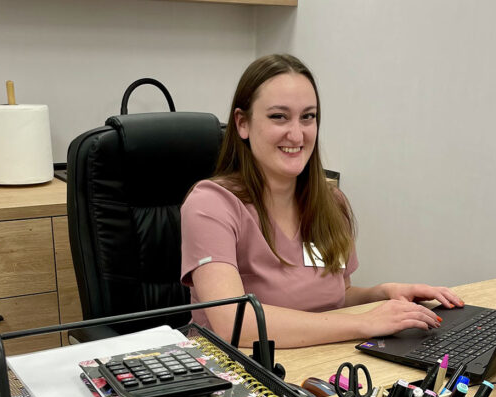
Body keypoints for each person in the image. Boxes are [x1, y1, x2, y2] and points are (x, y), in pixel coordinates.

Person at [180, 54, 463, 348]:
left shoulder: (331, 203)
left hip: (320, 361)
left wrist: (382, 294)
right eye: (279, 116)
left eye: (308, 117)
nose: (297, 134)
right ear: (242, 123)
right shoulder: (211, 205)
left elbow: (333, 299)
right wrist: (365, 323)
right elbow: (234, 324)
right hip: (236, 369)